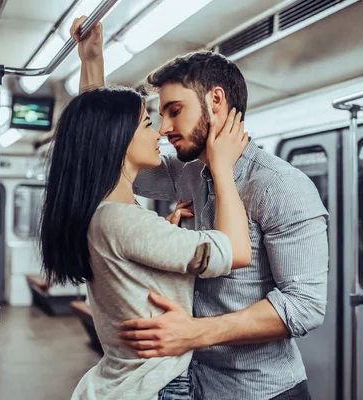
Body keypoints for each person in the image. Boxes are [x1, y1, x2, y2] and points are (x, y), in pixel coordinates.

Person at [72, 15, 329, 400]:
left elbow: (305, 306)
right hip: (192, 385)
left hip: (263, 391)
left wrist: (197, 332)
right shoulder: (187, 173)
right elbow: (106, 154)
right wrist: (92, 62)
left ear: (216, 101)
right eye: (159, 116)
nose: (163, 128)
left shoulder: (281, 187)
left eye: (174, 110)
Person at [39, 83, 252, 400]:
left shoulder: (105, 214)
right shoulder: (121, 220)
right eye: (148, 124)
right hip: (155, 386)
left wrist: (92, 58)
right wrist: (222, 168)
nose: (159, 134)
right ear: (117, 139)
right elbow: (236, 252)